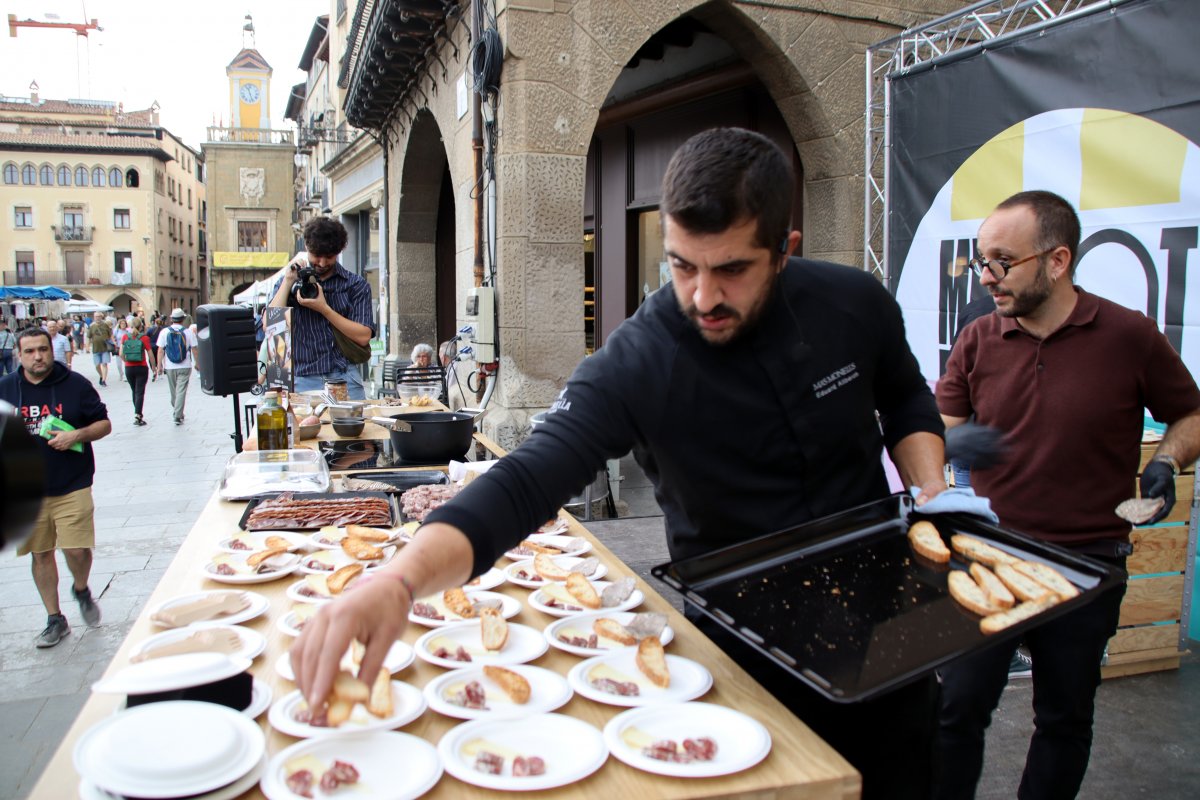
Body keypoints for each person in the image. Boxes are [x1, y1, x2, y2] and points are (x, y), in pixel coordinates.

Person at [291, 128, 949, 798]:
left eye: (732, 270)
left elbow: (905, 397)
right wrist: (399, 580)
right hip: (743, 641)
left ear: (785, 250)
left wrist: (932, 491)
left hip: (888, 618)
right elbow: (526, 480)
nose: (703, 297)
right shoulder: (642, 356)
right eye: (682, 266)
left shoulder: (853, 301)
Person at [934, 190, 1200, 800]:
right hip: (990, 558)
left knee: (1063, 719)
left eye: (1003, 261)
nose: (987, 276)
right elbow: (941, 424)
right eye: (982, 261)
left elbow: (1190, 415)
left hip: (1087, 562)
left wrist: (1167, 461)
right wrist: (952, 438)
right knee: (956, 709)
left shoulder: (1129, 336)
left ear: (1057, 261)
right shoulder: (978, 337)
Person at [0, 327, 111, 647]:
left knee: (76, 549)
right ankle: (54, 618)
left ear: (53, 350)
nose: (38, 356)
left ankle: (81, 588)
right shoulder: (5, 389)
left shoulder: (75, 385)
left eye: (43, 350)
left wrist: (77, 435)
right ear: (18, 355)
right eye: (30, 351)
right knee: (41, 554)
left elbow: (104, 424)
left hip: (72, 483)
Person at [267, 217, 374, 400]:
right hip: (302, 379)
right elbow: (271, 325)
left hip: (344, 376)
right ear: (307, 247)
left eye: (330, 257)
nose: (323, 263)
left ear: (339, 252)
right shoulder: (291, 281)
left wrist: (324, 309)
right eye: (317, 255)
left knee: (355, 420)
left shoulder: (355, 285)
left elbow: (363, 336)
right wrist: (288, 282)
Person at [156, 308, 199, 425]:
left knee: (174, 392)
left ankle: (177, 412)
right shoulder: (188, 332)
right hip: (185, 365)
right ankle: (178, 414)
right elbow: (194, 349)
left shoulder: (164, 332)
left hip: (170, 366)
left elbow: (160, 350)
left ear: (171, 319)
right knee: (181, 391)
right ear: (183, 319)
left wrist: (159, 366)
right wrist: (197, 363)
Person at [121, 319, 154, 426]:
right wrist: (154, 366)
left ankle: (137, 412)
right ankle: (138, 414)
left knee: (134, 390)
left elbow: (121, 353)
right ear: (141, 326)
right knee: (139, 392)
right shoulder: (144, 338)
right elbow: (150, 353)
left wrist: (126, 361)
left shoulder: (125, 337)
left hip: (129, 368)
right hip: (141, 367)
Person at [87, 311, 112, 386]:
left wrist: (112, 342)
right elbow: (88, 337)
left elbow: (110, 334)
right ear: (94, 317)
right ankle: (101, 376)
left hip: (105, 348)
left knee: (104, 364)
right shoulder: (92, 326)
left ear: (101, 317)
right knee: (97, 365)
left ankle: (104, 380)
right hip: (96, 348)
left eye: (99, 316)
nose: (97, 318)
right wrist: (87, 346)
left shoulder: (105, 325)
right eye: (96, 316)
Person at [145, 315, 164, 382]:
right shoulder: (162, 330)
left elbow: (146, 336)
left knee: (151, 359)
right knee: (159, 359)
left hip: (152, 346)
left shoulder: (150, 329)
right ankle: (160, 371)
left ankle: (154, 371)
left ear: (155, 322)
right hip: (159, 346)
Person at [112, 319, 130, 383]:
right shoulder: (116, 331)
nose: (123, 325)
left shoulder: (128, 331)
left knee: (126, 362)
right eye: (122, 323)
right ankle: (121, 374)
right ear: (119, 324)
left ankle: (126, 376)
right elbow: (112, 337)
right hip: (119, 348)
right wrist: (114, 342)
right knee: (118, 364)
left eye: (124, 323)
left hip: (126, 348)